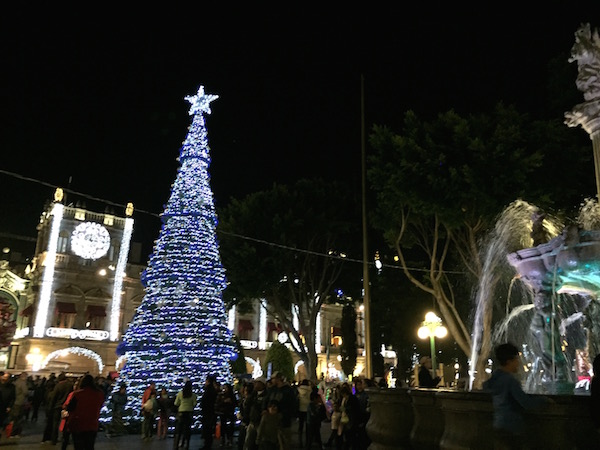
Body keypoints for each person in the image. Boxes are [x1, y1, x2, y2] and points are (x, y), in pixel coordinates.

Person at [483, 342, 552, 450]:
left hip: (498, 425)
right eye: (516, 359)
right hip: (512, 428)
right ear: (509, 361)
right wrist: (544, 400)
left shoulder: (495, 378)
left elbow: (485, 387)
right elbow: (526, 403)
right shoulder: (510, 381)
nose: (518, 363)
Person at [64, 374, 105, 450]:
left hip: (78, 424)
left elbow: (70, 408)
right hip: (92, 424)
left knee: (78, 446)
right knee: (90, 446)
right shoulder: (99, 394)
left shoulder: (77, 394)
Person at [263, 371, 298, 450]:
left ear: (278, 379)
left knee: (284, 443)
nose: (272, 381)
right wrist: (265, 409)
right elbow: (266, 400)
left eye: (273, 379)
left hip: (283, 421)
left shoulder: (288, 391)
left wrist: (284, 414)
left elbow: (292, 405)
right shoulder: (272, 390)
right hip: (272, 421)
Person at [44, 372, 74, 444]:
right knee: (65, 423)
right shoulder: (70, 385)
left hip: (57, 406)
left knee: (55, 423)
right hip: (66, 407)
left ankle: (54, 439)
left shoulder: (58, 385)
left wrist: (50, 407)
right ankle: (65, 438)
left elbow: (54, 397)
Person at [245, 377, 268, 450]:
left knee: (260, 442)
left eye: (257, 383)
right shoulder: (253, 395)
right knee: (248, 442)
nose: (255, 385)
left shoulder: (266, 395)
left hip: (260, 423)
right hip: (252, 421)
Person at [174, 379, 197, 450]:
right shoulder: (193, 395)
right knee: (187, 429)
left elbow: (176, 403)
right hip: (189, 413)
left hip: (181, 412)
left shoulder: (180, 393)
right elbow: (195, 404)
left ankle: (177, 445)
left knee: (179, 429)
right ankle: (187, 444)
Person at [59, 378, 80, 450]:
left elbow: (66, 404)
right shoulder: (80, 395)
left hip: (70, 418)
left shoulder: (73, 394)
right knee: (75, 439)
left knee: (66, 437)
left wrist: (64, 407)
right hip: (76, 418)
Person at [215, 382, 237, 448]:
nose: (224, 389)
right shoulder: (221, 395)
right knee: (223, 426)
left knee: (230, 426)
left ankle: (229, 439)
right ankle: (223, 439)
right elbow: (217, 403)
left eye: (226, 388)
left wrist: (231, 402)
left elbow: (235, 403)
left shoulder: (232, 395)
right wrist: (224, 402)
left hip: (230, 412)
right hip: (223, 412)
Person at [296, 379, 311, 447]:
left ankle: (300, 441)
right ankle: (307, 442)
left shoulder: (298, 389)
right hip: (308, 409)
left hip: (300, 409)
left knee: (300, 426)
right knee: (308, 426)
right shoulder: (310, 390)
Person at [0, 372, 15, 437]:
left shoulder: (11, 387)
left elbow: (13, 398)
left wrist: (9, 406)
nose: (5, 379)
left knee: (1, 422)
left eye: (7, 377)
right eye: (4, 377)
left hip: (4, 407)